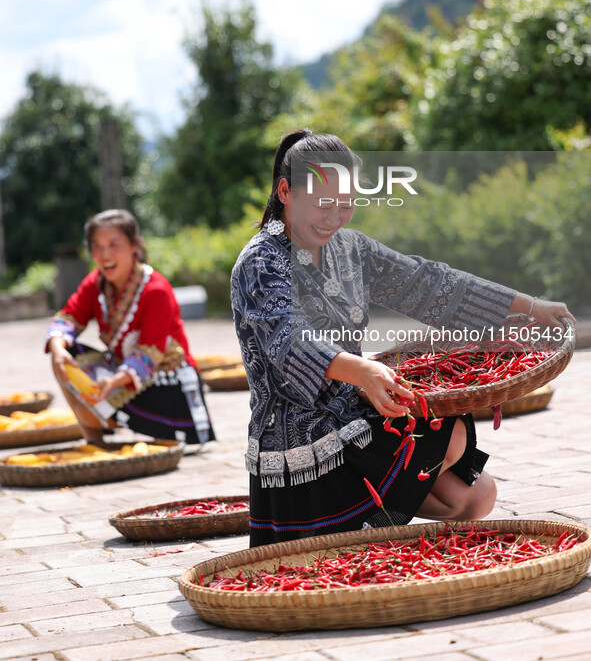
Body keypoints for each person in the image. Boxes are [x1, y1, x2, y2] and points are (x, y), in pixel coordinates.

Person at [231, 129, 575, 547]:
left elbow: (430, 283)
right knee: (448, 433)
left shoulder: (350, 249)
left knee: (476, 497)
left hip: (353, 406)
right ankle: (353, 524)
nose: (335, 218)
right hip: (302, 433)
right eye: (324, 204)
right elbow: (288, 339)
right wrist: (362, 370)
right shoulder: (261, 260)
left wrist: (529, 306)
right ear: (285, 191)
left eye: (347, 205)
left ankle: (371, 519)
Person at [46, 209, 215, 447]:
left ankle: (150, 428)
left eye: (114, 245)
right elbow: (69, 318)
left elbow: (148, 355)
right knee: (66, 358)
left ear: (134, 245)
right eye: (97, 246)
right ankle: (95, 441)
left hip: (164, 376)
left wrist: (113, 382)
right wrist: (57, 348)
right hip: (121, 370)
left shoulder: (156, 290)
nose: (105, 255)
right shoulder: (95, 283)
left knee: (164, 446)